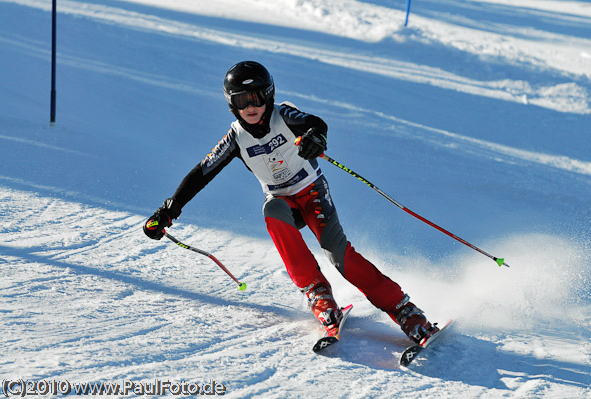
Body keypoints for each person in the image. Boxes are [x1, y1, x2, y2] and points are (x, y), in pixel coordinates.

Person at [143, 61, 438, 344]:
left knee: (338, 254)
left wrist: (315, 138)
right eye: (242, 100)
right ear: (231, 104)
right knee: (271, 209)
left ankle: (404, 310)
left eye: (256, 97)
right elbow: (201, 173)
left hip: (312, 193)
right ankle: (318, 292)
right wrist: (169, 210)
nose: (251, 107)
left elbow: (315, 123)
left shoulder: (282, 115)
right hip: (283, 202)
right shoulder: (235, 137)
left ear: (269, 95)